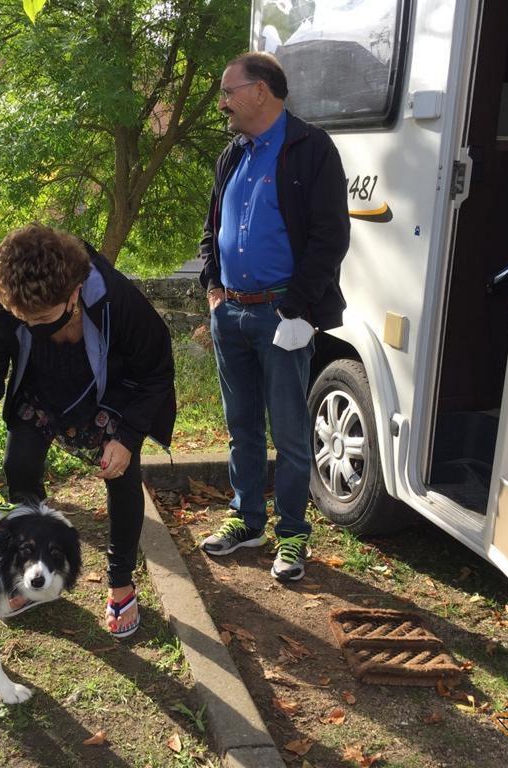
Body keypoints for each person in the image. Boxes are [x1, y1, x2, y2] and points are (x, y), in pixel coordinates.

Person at [0, 224, 176, 638]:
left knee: (121, 473)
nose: (31, 327)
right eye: (23, 319)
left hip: (109, 394)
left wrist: (127, 437)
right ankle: (29, 566)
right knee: (19, 463)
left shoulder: (118, 301)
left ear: (74, 293)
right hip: (42, 390)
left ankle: (120, 581)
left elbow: (156, 372)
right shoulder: (8, 307)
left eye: (43, 319)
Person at [198, 52, 350, 582]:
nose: (223, 103)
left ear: (260, 91)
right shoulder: (233, 155)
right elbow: (211, 228)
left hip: (282, 316)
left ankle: (292, 535)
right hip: (231, 313)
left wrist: (300, 310)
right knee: (241, 428)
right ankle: (246, 519)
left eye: (228, 91)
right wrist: (214, 289)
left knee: (287, 433)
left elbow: (331, 237)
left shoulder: (310, 149)